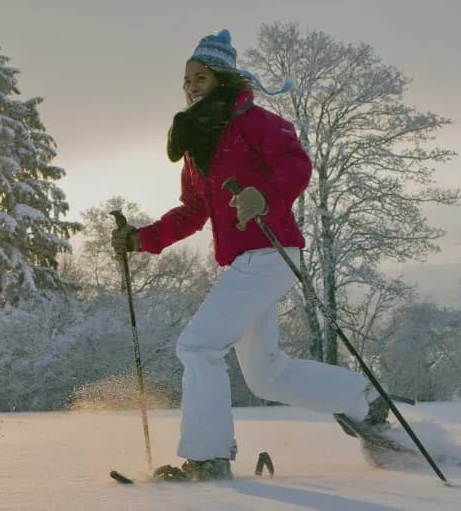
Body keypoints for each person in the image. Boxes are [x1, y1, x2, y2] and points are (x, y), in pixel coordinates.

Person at [112, 29, 390, 481]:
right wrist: (142, 239)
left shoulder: (255, 122)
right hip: (247, 261)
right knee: (265, 374)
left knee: (198, 346)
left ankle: (208, 457)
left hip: (270, 251)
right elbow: (195, 210)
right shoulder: (199, 140)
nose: (190, 86)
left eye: (199, 77)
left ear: (221, 78)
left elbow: (296, 164)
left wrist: (264, 195)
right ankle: (361, 399)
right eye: (185, 80)